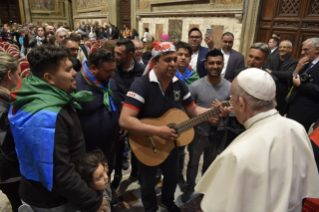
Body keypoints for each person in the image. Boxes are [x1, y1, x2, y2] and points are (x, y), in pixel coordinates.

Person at [195, 68, 319, 212]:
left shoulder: (236, 153)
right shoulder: (297, 128)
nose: (231, 103)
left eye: (232, 99)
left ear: (241, 103)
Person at [119, 42, 221, 212]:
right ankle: (150, 208)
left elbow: (193, 109)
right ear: (155, 62)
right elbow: (125, 120)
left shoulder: (178, 85)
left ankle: (167, 201)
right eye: (168, 60)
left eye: (175, 59)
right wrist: (158, 131)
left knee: (172, 176)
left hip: (170, 143)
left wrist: (214, 111)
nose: (174, 63)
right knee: (148, 182)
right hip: (146, 143)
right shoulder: (141, 85)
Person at [9, 45, 107, 211]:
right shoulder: (46, 117)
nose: (75, 73)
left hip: (53, 192)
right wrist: (93, 201)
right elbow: (59, 173)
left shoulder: (41, 93)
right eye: (68, 70)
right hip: (51, 198)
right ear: (49, 78)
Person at [182, 49, 232, 203]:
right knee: (193, 163)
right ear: (206, 65)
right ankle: (190, 188)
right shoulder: (195, 86)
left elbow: (237, 110)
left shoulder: (230, 87)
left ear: (223, 64)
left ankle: (204, 190)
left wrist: (225, 113)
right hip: (197, 133)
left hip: (218, 134)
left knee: (210, 165)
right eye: (211, 63)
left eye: (218, 63)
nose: (215, 66)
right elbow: (188, 111)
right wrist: (207, 118)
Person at [76, 48, 120, 178]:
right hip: (88, 151)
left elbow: (116, 103)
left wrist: (120, 122)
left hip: (109, 145)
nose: (112, 74)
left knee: (107, 175)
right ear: (93, 68)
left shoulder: (108, 81)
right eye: (108, 71)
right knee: (93, 181)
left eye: (113, 70)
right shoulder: (76, 86)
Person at [112, 39, 145, 189]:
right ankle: (117, 175)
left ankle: (136, 173)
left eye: (119, 54)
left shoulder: (142, 70)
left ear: (130, 54)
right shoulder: (112, 70)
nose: (115, 56)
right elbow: (114, 97)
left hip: (138, 117)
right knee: (119, 150)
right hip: (120, 117)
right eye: (115, 53)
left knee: (138, 148)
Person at [0, 53, 22, 212]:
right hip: (10, 173)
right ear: (9, 74)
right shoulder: (2, 108)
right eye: (19, 74)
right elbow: (10, 150)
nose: (20, 79)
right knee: (19, 205)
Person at [287, 38, 319, 132]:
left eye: (306, 49)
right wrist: (297, 69)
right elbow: (291, 81)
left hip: (306, 113)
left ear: (317, 49)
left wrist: (301, 85)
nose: (302, 52)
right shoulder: (304, 63)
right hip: (292, 107)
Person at [263, 40, 298, 115]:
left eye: (284, 47)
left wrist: (272, 72)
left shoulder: (294, 62)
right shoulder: (271, 59)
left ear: (290, 49)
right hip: (268, 92)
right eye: (280, 47)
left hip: (282, 95)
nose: (281, 49)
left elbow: (288, 74)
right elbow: (266, 72)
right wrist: (278, 74)